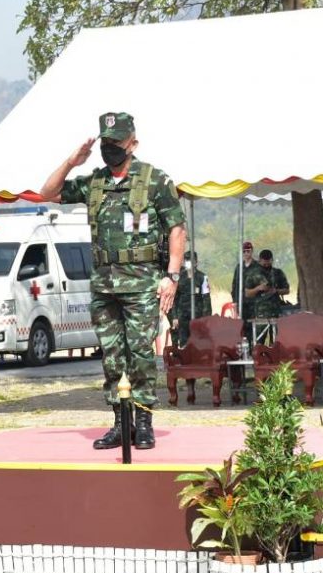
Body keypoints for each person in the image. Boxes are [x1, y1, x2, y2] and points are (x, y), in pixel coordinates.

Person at [41, 112, 186, 450]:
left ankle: (144, 421)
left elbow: (177, 229)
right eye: (105, 142)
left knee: (140, 354)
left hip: (142, 283)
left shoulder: (154, 180)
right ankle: (121, 423)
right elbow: (48, 192)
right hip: (104, 285)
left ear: (132, 143)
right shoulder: (94, 182)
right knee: (111, 356)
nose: (110, 148)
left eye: (116, 142)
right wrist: (72, 161)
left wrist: (172, 276)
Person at [171, 253, 212, 348]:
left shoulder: (202, 277)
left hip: (198, 316)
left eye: (191, 260)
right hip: (183, 316)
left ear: (196, 262)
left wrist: (207, 318)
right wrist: (174, 317)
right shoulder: (179, 277)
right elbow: (174, 299)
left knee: (199, 343)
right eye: (187, 260)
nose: (188, 262)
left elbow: (206, 299)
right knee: (184, 344)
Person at [246, 249, 291, 335]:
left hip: (276, 311)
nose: (266, 265)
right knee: (259, 337)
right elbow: (247, 293)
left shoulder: (278, 273)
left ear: (272, 260)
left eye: (268, 263)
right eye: (264, 264)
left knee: (278, 337)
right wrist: (258, 288)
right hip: (260, 312)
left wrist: (276, 291)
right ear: (260, 260)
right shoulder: (252, 274)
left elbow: (287, 290)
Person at [229, 242, 257, 326]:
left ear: (252, 251)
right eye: (244, 251)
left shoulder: (257, 266)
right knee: (242, 325)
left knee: (254, 326)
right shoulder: (239, 267)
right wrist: (235, 301)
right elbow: (235, 285)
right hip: (241, 302)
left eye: (248, 251)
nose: (246, 253)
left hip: (254, 303)